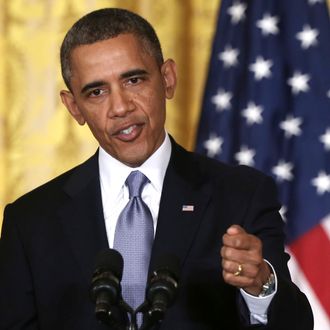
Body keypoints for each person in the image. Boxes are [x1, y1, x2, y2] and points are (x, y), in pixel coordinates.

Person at [0, 8, 313, 330]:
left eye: (133, 80)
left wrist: (259, 286)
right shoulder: (30, 221)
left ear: (167, 79)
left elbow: (295, 324)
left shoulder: (241, 195)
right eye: (97, 92)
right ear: (74, 107)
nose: (120, 107)